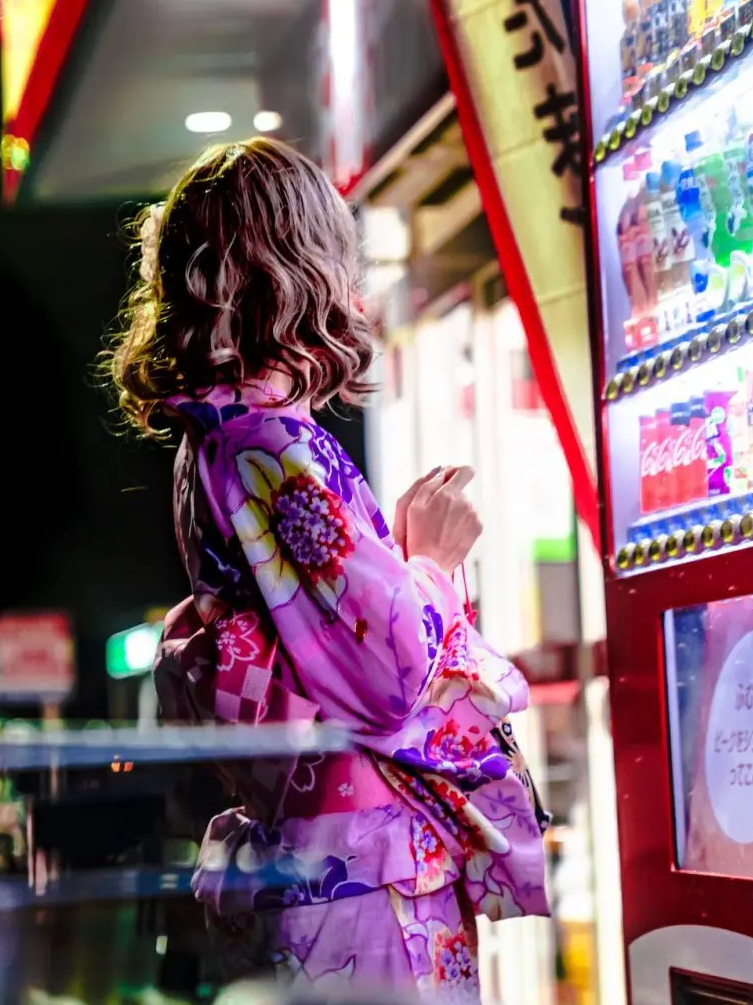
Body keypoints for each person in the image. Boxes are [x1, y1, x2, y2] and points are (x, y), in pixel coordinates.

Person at [106, 138, 550, 1001]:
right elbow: (392, 675)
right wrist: (431, 556)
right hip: (366, 874)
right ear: (300, 262)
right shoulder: (275, 444)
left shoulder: (216, 435)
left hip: (307, 859)